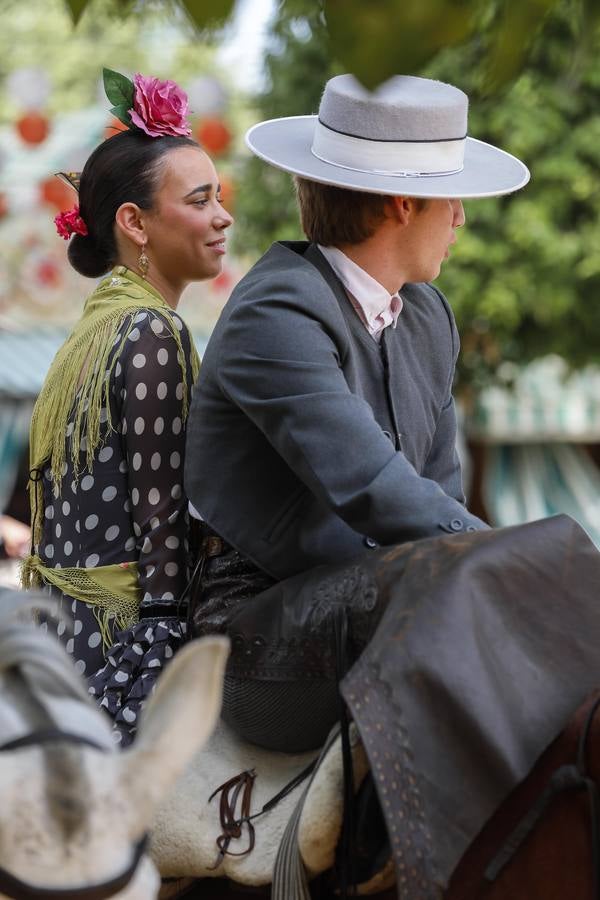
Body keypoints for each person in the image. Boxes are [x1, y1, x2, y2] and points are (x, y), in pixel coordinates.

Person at [184, 72, 529, 745]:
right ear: (404, 203)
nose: (460, 216)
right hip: (253, 633)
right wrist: (516, 561)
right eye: (451, 200)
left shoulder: (429, 317)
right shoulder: (277, 309)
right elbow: (376, 489)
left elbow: (438, 498)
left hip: (371, 592)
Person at [21, 68, 233, 743]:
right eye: (199, 200)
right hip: (120, 652)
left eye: (219, 197)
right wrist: (166, 631)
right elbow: (159, 512)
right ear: (135, 223)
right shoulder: (151, 332)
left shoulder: (86, 335)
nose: (222, 216)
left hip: (60, 641)